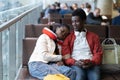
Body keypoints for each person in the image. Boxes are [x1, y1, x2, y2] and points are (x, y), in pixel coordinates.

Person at [62, 8, 103, 80]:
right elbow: (66, 56)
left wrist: (92, 62)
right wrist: (75, 62)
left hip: (91, 63)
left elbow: (98, 53)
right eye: (72, 22)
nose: (74, 24)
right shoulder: (68, 38)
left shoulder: (94, 36)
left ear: (84, 21)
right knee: (80, 77)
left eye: (77, 21)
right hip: (76, 64)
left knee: (95, 78)